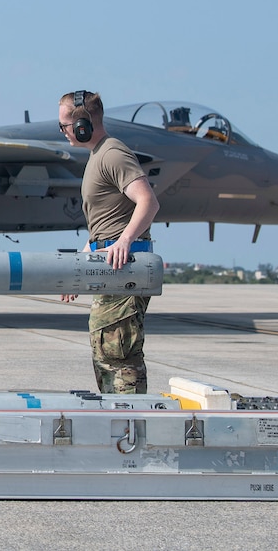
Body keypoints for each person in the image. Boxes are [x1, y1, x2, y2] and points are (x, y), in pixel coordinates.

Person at [58, 90, 160, 394]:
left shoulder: (112, 153)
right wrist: (79, 269)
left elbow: (148, 202)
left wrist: (125, 240)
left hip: (122, 272)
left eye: (64, 125)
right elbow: (102, 230)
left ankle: (131, 427)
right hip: (108, 269)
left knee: (119, 361)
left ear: (82, 125)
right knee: (106, 354)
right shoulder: (97, 156)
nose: (62, 132)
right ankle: (116, 428)